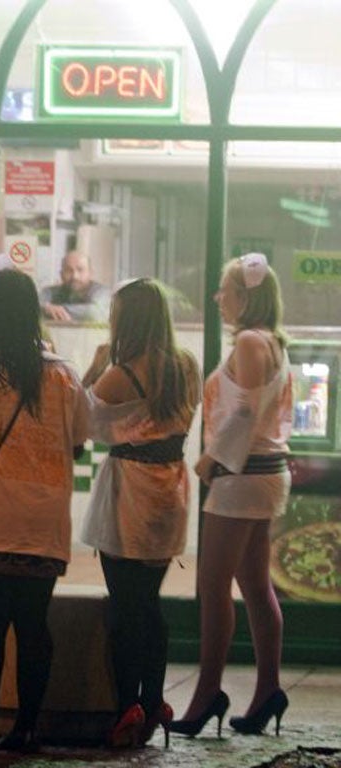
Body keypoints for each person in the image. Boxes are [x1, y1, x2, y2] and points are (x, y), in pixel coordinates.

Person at [0, 269, 88, 756]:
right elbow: (80, 439)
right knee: (33, 626)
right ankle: (26, 727)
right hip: (46, 521)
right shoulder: (65, 375)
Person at [172, 253, 292, 738]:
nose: (219, 299)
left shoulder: (247, 340)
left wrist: (210, 461)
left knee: (213, 586)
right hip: (266, 472)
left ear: (246, 296)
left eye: (225, 291)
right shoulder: (272, 341)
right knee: (256, 586)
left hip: (241, 475)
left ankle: (207, 695)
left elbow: (242, 413)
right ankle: (267, 690)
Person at [79, 278, 202, 748]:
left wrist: (92, 368)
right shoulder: (184, 367)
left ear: (126, 321)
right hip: (169, 488)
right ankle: (155, 700)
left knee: (125, 605)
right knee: (150, 603)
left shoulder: (121, 375)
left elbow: (82, 421)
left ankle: (126, 703)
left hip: (129, 494)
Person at [40, 250, 111, 323]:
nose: (75, 276)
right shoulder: (49, 291)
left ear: (90, 273)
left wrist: (53, 310)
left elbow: (94, 313)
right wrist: (46, 308)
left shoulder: (102, 291)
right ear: (61, 274)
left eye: (80, 270)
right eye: (68, 270)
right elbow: (34, 306)